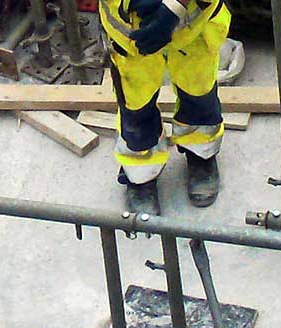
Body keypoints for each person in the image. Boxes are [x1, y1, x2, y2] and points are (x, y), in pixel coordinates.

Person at [99, 0, 231, 215]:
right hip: (131, 30)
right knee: (136, 106)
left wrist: (175, 6)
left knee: (198, 91)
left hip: (193, 22)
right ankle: (140, 176)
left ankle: (201, 152)